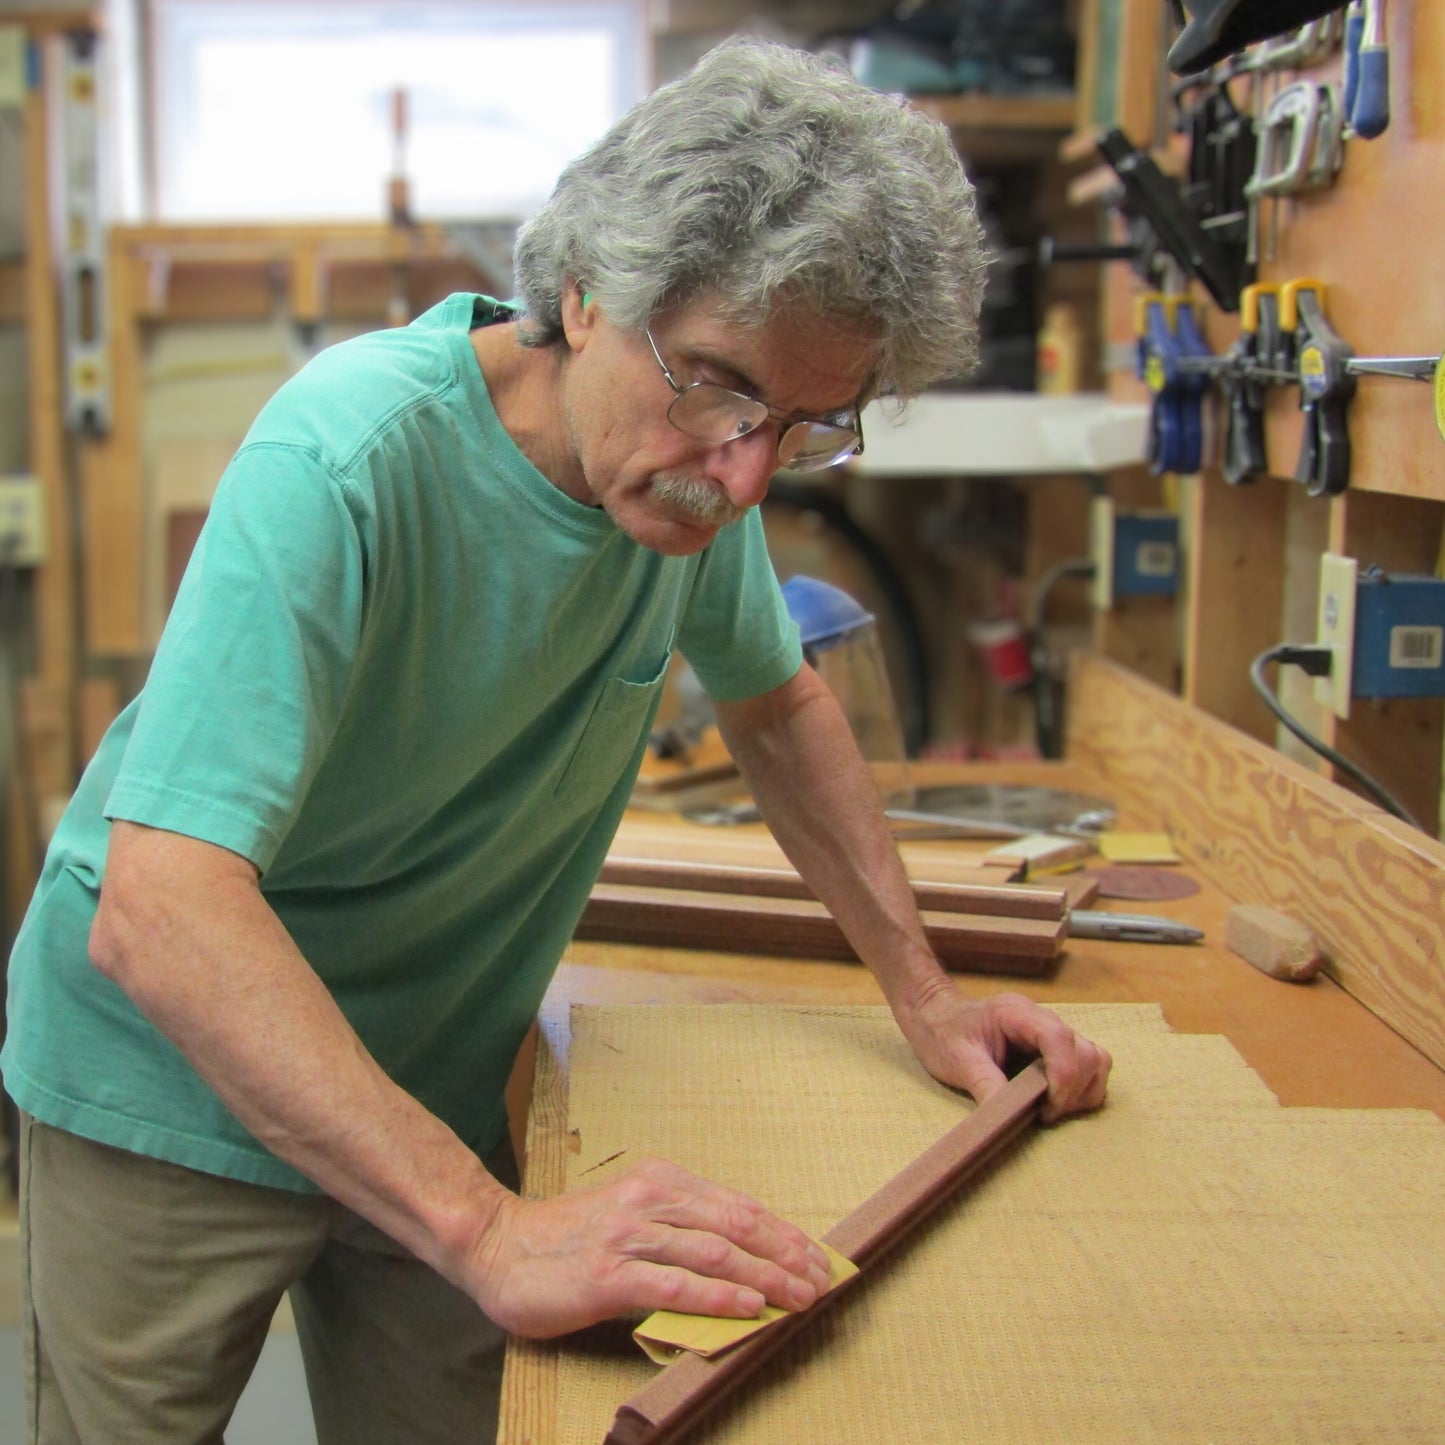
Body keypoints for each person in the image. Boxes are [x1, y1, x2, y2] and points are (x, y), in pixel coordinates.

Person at [1, 36, 1111, 1445]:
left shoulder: (690, 481)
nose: (748, 471)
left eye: (806, 424)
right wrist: (483, 1224)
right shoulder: (345, 460)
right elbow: (161, 910)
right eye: (718, 387)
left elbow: (778, 706)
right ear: (586, 291)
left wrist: (926, 992)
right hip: (164, 1080)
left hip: (430, 1071)